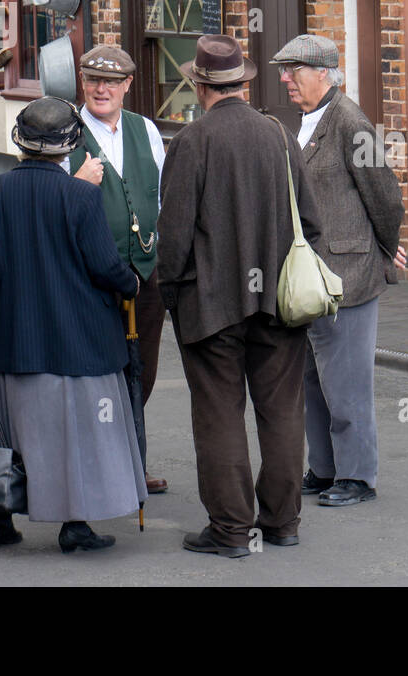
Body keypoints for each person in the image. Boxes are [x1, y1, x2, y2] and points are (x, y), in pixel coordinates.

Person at [157, 35, 322, 557]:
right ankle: (282, 522)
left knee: (220, 414)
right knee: (281, 412)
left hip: (212, 306)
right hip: (279, 301)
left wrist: (169, 294)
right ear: (243, 84)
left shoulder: (191, 142)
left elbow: (175, 237)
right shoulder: (278, 135)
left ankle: (231, 530)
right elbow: (312, 223)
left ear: (200, 85)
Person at [0, 96, 146, 554]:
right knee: (76, 434)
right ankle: (73, 526)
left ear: (19, 142)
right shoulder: (81, 195)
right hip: (80, 340)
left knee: (8, 431)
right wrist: (132, 283)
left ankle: (0, 518)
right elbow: (104, 265)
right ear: (70, 146)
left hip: (20, 341)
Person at [270, 35, 406, 507]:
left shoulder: (352, 121)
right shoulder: (306, 120)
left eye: (295, 70)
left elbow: (385, 196)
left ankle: (357, 476)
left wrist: (388, 249)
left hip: (348, 275)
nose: (286, 79)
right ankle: (324, 469)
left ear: (324, 73)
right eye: (285, 70)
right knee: (312, 379)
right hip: (309, 278)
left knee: (347, 384)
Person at [67, 44, 169, 496]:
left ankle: (133, 459)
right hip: (89, 278)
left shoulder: (144, 129)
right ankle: (99, 465)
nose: (100, 89)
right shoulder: (64, 132)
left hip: (144, 271)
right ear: (82, 84)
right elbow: (44, 203)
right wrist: (75, 185)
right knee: (96, 373)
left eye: (110, 81)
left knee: (141, 369)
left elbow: (161, 197)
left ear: (128, 85)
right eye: (92, 80)